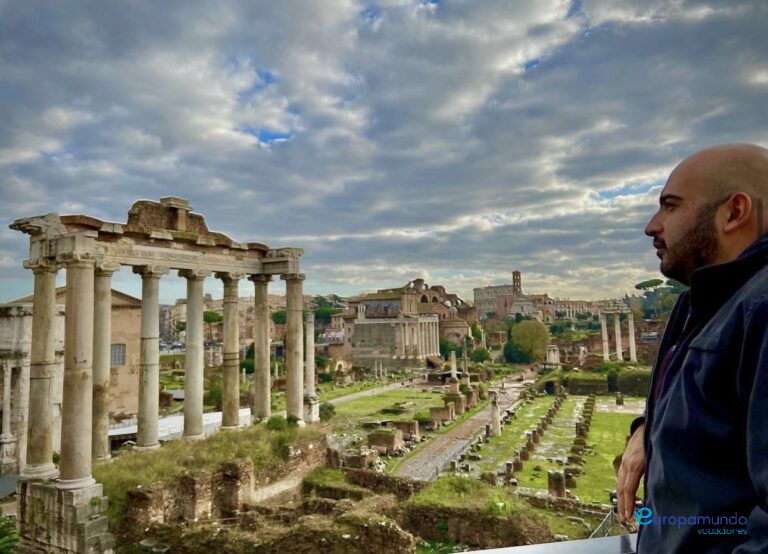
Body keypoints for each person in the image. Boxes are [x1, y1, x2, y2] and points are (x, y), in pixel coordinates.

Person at [617, 144, 768, 553]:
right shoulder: (701, 304)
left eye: (670, 206)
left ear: (734, 212)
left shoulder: (760, 308)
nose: (651, 226)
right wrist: (648, 429)